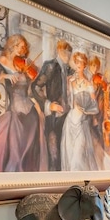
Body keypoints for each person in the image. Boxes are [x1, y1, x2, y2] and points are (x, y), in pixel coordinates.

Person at [0, 34, 47, 172]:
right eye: (21, 47)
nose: (23, 51)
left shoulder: (25, 63)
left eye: (24, 48)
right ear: (13, 45)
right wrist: (5, 76)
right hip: (14, 111)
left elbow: (32, 88)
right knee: (16, 150)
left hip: (30, 110)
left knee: (31, 147)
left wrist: (31, 75)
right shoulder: (2, 61)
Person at [31, 40, 73, 171]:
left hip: (68, 117)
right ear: (60, 51)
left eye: (69, 54)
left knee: (67, 155)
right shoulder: (50, 66)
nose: (68, 57)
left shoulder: (70, 70)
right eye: (66, 54)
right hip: (54, 116)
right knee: (54, 154)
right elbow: (36, 87)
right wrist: (49, 105)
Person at [60, 51, 99, 171]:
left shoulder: (88, 84)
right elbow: (69, 103)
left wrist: (86, 111)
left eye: (80, 63)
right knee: (69, 155)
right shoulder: (70, 81)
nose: (78, 66)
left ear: (84, 66)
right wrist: (69, 86)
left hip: (82, 122)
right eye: (76, 63)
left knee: (78, 158)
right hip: (70, 120)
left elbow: (95, 107)